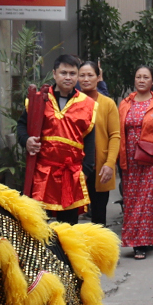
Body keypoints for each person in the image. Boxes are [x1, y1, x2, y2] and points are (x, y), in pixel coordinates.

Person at [26, 55, 95, 221]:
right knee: (40, 224)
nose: (68, 77)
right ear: (54, 74)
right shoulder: (39, 99)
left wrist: (86, 170)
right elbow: (23, 126)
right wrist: (26, 141)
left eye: (73, 73)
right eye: (64, 73)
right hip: (43, 172)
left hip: (71, 174)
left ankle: (64, 248)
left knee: (68, 224)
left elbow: (90, 139)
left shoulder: (87, 104)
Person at [118, 65, 153, 259]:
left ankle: (143, 242)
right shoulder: (125, 103)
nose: (141, 80)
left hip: (151, 158)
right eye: (138, 77)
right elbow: (118, 133)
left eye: (145, 77)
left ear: (152, 82)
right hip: (130, 160)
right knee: (131, 201)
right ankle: (135, 239)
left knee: (148, 201)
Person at [79, 61, 120, 228]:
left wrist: (110, 164)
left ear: (98, 77)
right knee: (74, 218)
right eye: (82, 75)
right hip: (76, 168)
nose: (86, 79)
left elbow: (115, 136)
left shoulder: (107, 103)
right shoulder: (73, 101)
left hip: (100, 168)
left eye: (90, 75)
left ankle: (99, 253)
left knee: (98, 218)